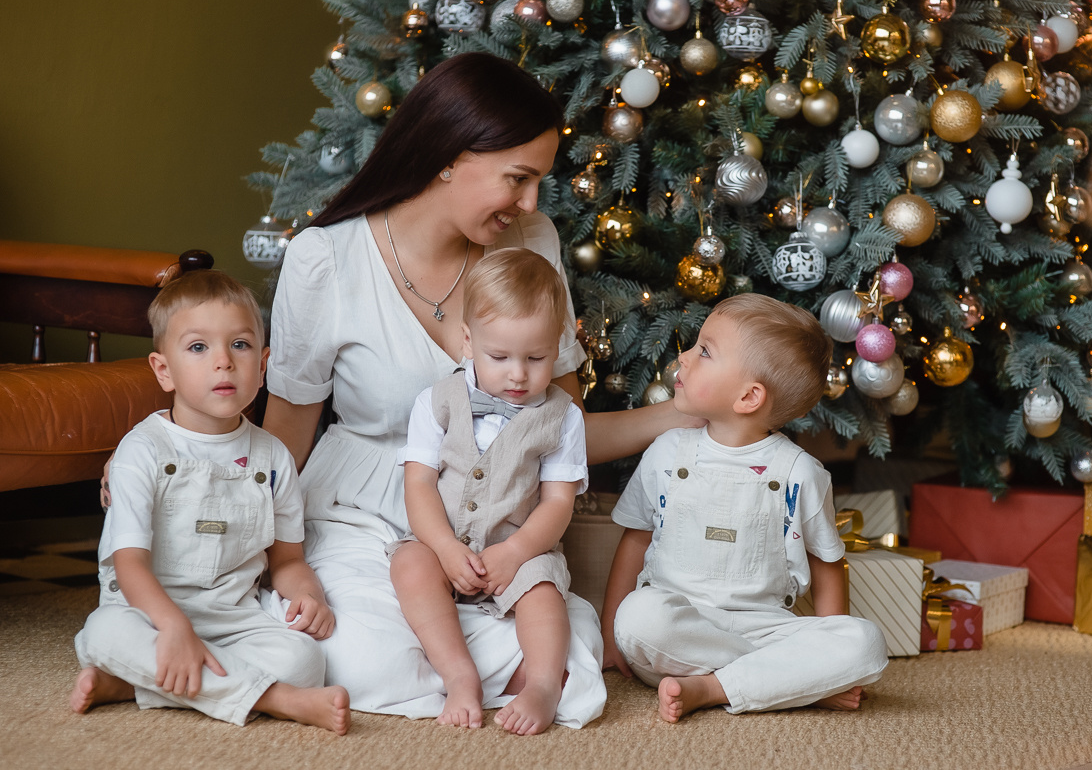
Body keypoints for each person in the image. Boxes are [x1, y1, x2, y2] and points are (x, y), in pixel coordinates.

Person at [258, 51, 698, 727]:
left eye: (538, 183)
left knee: (568, 661)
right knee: (354, 653)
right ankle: (472, 666)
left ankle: (494, 667)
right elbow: (284, 438)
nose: (529, 203)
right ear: (448, 156)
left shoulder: (531, 242)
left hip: (495, 524)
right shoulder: (327, 259)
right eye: (517, 179)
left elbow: (563, 426)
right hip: (361, 512)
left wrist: (683, 412)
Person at [72, 270, 349, 735]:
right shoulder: (142, 452)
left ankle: (134, 686)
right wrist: (175, 628)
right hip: (147, 614)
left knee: (305, 659)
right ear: (164, 370)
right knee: (102, 634)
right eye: (198, 347)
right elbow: (129, 566)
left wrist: (307, 593)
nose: (223, 362)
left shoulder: (273, 455)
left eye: (239, 346)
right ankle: (278, 700)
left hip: (233, 619)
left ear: (262, 365)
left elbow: (286, 559)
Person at [600, 293, 889, 723]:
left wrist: (829, 642)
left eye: (704, 351)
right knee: (638, 617)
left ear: (749, 397)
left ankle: (713, 688)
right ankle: (786, 680)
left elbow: (827, 564)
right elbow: (636, 538)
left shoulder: (800, 473)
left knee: (864, 641)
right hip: (679, 628)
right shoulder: (667, 453)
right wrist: (610, 633)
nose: (684, 355)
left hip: (765, 626)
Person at [390, 248, 589, 735]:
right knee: (409, 563)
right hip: (448, 542)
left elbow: (558, 501)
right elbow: (418, 484)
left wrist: (516, 551)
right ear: (467, 341)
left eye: (536, 358)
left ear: (558, 345)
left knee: (544, 591)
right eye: (499, 357)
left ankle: (542, 685)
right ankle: (460, 676)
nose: (518, 374)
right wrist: (443, 546)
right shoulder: (436, 401)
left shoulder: (563, 417)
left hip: (519, 549)